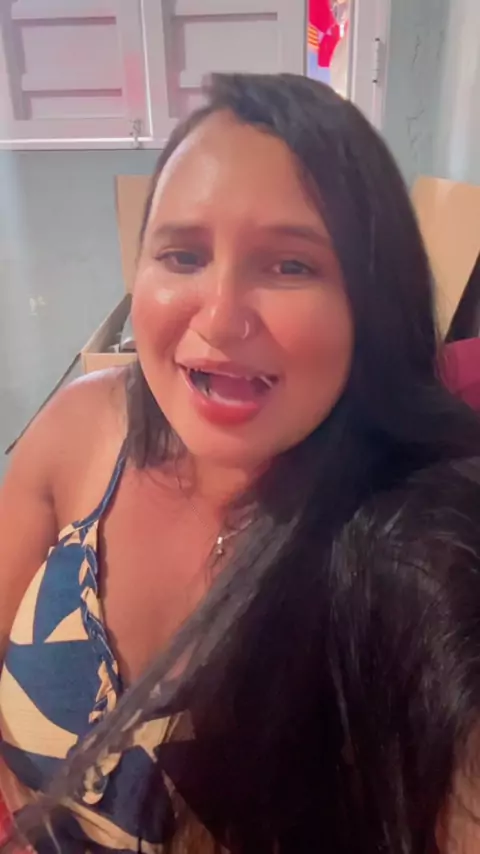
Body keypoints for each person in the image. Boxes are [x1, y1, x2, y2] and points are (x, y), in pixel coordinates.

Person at [0, 73, 480, 854]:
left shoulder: (413, 554)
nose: (220, 318)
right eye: (182, 254)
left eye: (290, 266)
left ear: (373, 302)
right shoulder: (82, 425)